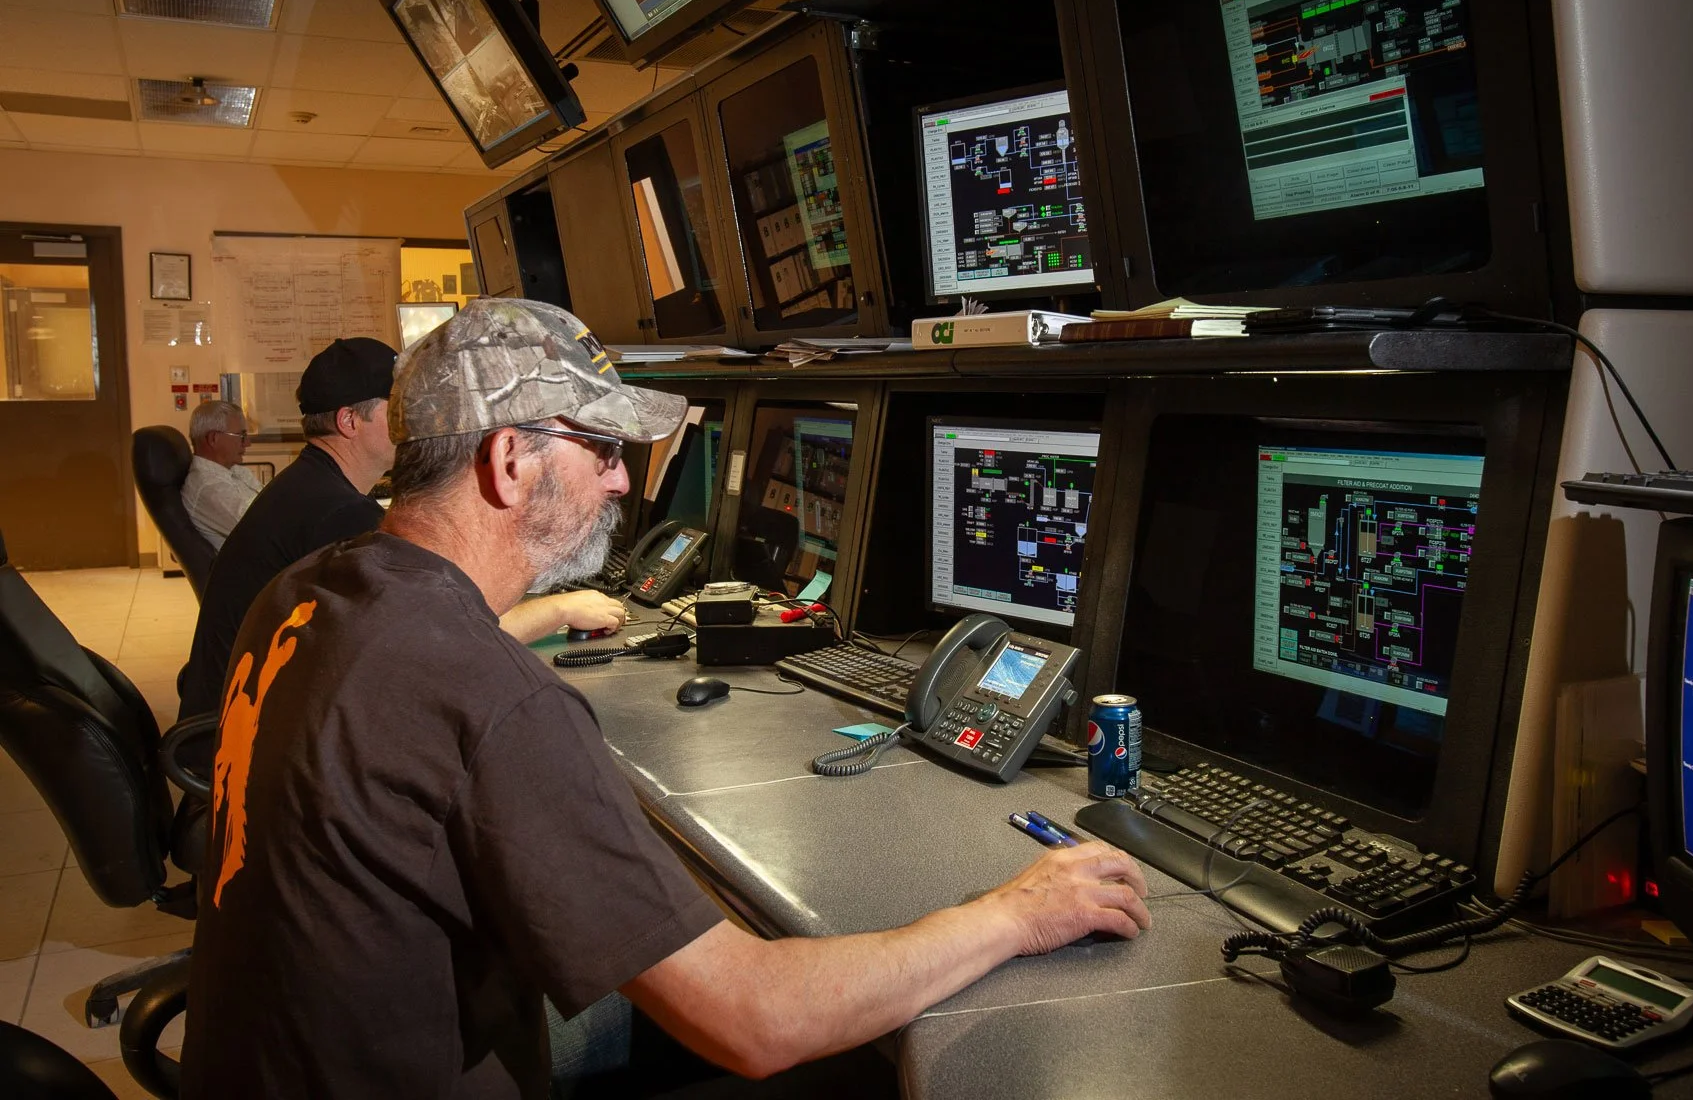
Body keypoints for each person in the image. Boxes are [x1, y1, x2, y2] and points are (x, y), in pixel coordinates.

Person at [182, 298, 1151, 1096]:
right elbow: (755, 1019)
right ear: (510, 460)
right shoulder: (494, 706)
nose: (620, 481)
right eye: (602, 447)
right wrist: (1015, 914)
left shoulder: (309, 589)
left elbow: (413, 678)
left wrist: (540, 624)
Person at [178, 336, 623, 727]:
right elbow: (443, 636)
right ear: (349, 422)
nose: (415, 424)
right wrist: (562, 608)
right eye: (399, 411)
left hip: (247, 714)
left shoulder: (309, 485)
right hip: (243, 740)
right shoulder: (336, 513)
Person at [180, 400, 260, 549]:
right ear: (213, 438)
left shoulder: (236, 471)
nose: (247, 443)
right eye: (241, 435)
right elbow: (265, 528)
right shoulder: (209, 488)